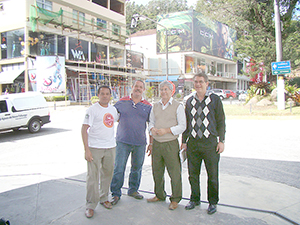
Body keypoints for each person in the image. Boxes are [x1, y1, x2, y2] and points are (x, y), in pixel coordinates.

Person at [181, 73, 225, 215]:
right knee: (193, 174)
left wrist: (221, 141)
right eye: (195, 82)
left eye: (201, 82)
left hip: (210, 142)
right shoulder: (189, 101)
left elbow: (221, 121)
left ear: (207, 83)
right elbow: (186, 124)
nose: (198, 84)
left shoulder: (214, 99)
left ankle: (213, 202)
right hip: (193, 143)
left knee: (212, 175)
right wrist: (184, 141)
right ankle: (194, 199)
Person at [110, 80, 152, 205]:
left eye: (140, 87)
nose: (138, 89)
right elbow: (110, 117)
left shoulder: (148, 106)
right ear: (132, 87)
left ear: (143, 90)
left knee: (137, 168)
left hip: (140, 143)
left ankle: (133, 190)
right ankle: (116, 193)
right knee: (119, 168)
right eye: (136, 86)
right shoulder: (121, 102)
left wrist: (151, 143)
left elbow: (151, 125)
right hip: (122, 142)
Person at [146, 80, 186, 210]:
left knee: (174, 173)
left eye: (166, 89)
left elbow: (182, 126)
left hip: (170, 144)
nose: (163, 92)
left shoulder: (178, 106)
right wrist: (152, 129)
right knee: (157, 171)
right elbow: (151, 122)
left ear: (171, 91)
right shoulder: (155, 106)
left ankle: (175, 199)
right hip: (157, 144)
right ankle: (159, 195)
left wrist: (167, 130)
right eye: (161, 89)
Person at [81, 85, 119, 218]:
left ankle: (104, 198)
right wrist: (87, 150)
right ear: (98, 95)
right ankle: (91, 204)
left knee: (107, 174)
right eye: (102, 93)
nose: (105, 96)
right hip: (95, 147)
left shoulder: (113, 110)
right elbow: (84, 129)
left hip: (110, 147)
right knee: (93, 176)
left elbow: (114, 122)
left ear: (110, 95)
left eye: (107, 94)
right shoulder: (92, 110)